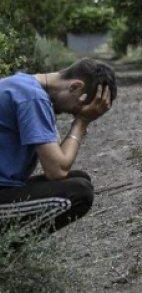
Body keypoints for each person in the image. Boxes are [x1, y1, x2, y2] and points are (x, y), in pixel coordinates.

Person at [0, 58, 116, 236]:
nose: (77, 111)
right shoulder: (32, 97)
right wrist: (82, 122)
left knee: (79, 179)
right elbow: (57, 169)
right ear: (75, 86)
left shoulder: (26, 86)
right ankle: (6, 255)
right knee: (78, 193)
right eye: (81, 106)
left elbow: (59, 163)